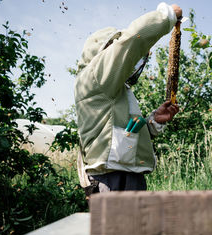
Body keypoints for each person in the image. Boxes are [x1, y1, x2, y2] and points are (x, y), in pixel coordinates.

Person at [74, 3, 181, 196]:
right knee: (116, 227)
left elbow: (121, 132)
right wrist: (166, 16)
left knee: (137, 227)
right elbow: (133, 39)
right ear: (103, 53)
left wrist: (153, 121)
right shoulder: (95, 77)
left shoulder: (116, 89)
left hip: (126, 174)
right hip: (110, 178)